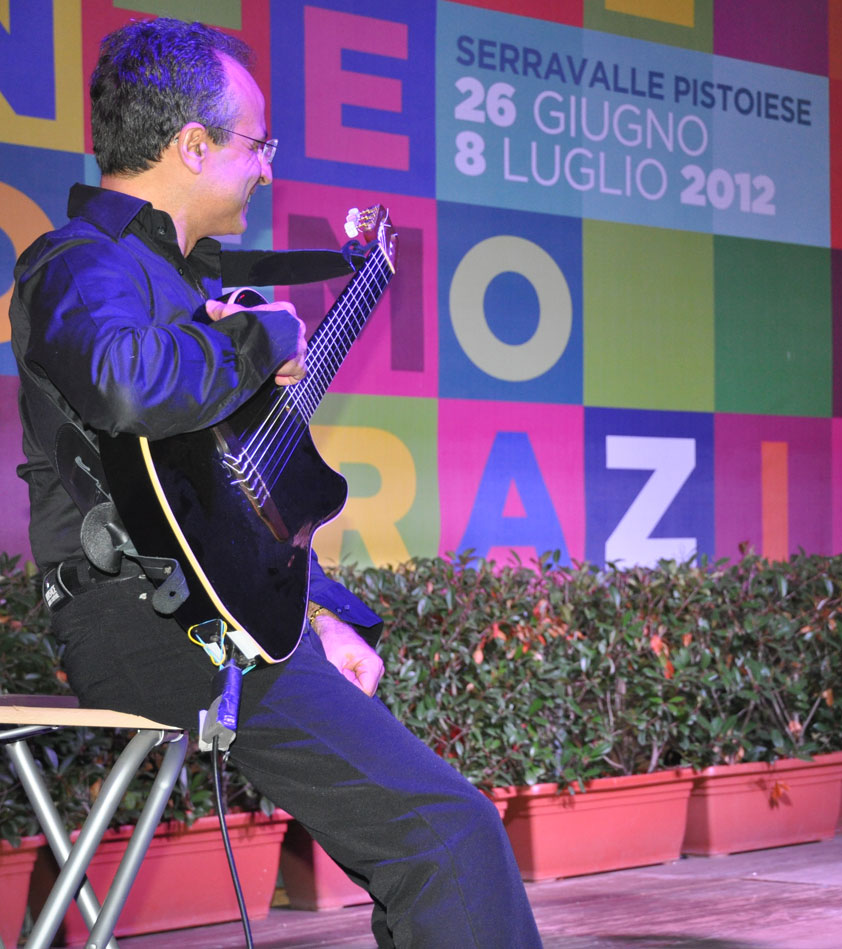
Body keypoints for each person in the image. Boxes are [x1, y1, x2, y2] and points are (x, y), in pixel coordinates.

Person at [9, 18, 542, 948]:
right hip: (151, 626)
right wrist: (267, 336)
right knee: (449, 837)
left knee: (440, 834)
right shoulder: (77, 264)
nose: (266, 169)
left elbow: (223, 515)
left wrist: (320, 615)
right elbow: (124, 382)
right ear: (193, 145)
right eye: (258, 145)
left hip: (209, 622)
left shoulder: (183, 289)